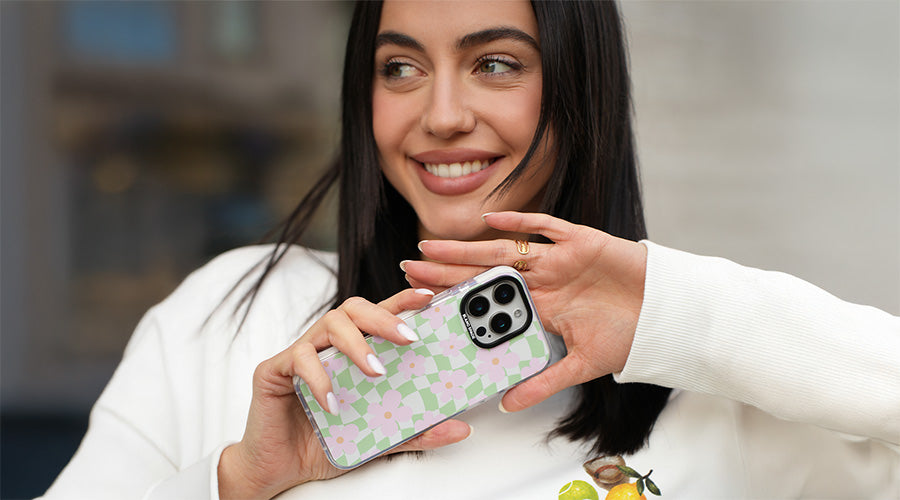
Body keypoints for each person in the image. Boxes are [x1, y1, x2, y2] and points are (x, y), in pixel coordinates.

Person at [41, 1, 899, 499]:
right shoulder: (229, 319)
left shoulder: (721, 391)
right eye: (399, 68)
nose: (441, 115)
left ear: (580, 88)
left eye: (495, 63)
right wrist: (236, 482)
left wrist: (676, 315)